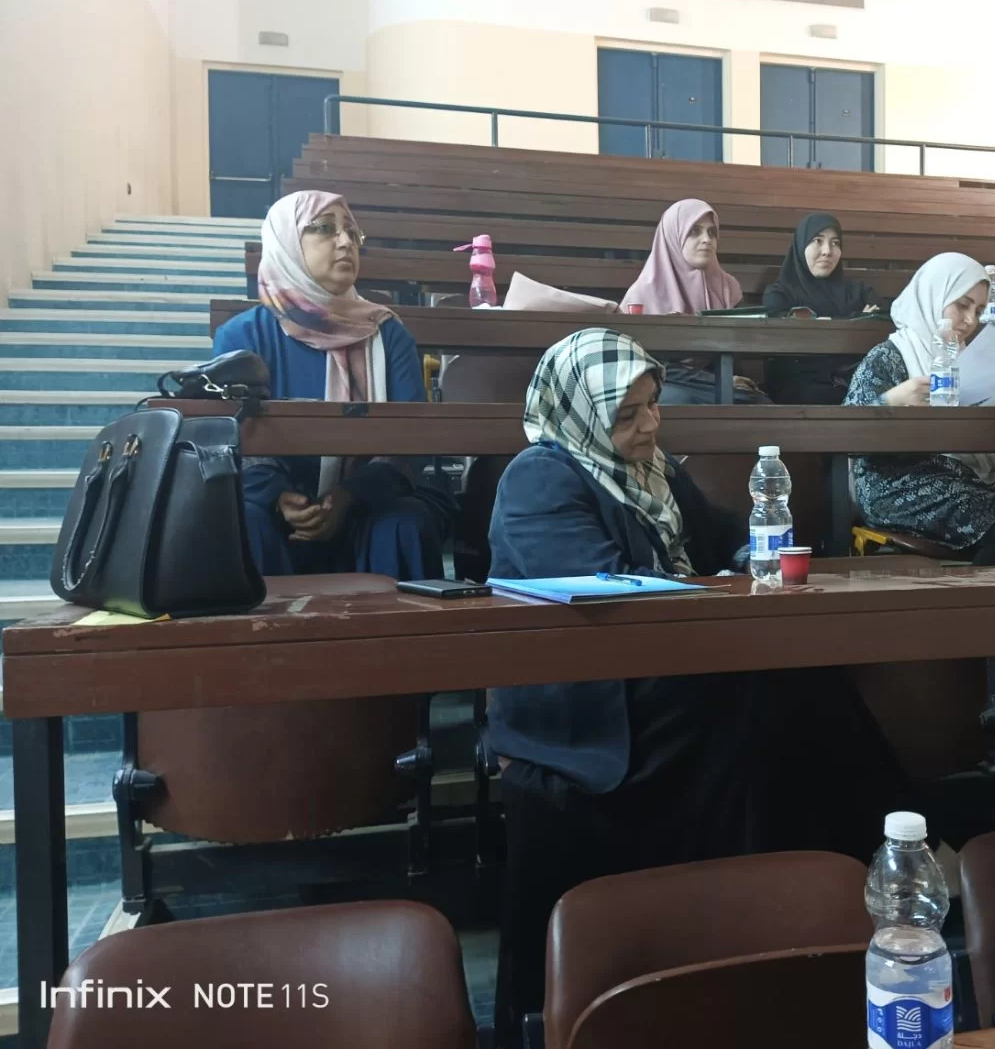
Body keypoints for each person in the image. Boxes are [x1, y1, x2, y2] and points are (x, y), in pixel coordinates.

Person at [488, 327, 903, 1042]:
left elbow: (718, 535)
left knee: (796, 676)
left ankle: (847, 878)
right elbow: (602, 591)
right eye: (627, 414)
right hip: (592, 696)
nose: (650, 424)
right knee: (764, 693)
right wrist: (708, 586)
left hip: (669, 664)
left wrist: (754, 553)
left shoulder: (651, 469)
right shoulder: (542, 476)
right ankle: (882, 854)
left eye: (653, 404)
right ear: (580, 414)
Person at [214, 191, 453, 579]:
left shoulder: (387, 334)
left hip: (369, 499)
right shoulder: (242, 336)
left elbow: (409, 441)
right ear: (287, 243)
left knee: (403, 523)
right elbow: (232, 437)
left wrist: (348, 496)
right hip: (269, 501)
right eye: (325, 228)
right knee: (243, 521)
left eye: (352, 233)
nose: (345, 242)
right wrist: (278, 497)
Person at [843, 253, 995, 562]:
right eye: (962, 305)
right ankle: (981, 595)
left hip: (974, 477)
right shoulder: (888, 357)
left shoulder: (972, 360)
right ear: (934, 296)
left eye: (978, 310)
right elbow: (849, 437)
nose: (970, 320)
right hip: (899, 483)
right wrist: (892, 400)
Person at [622, 199, 768, 404]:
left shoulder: (727, 288)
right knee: (678, 400)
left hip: (715, 382)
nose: (706, 240)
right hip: (666, 382)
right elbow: (644, 365)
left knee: (757, 403)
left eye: (712, 232)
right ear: (673, 236)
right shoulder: (642, 294)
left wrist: (729, 380)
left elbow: (733, 351)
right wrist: (717, 381)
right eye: (694, 231)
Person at [761, 212, 882, 404]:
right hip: (798, 382)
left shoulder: (857, 291)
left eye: (835, 243)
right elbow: (786, 335)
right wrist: (856, 318)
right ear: (801, 245)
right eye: (818, 240)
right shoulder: (779, 293)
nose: (827, 251)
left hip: (853, 377)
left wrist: (823, 322)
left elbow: (882, 319)